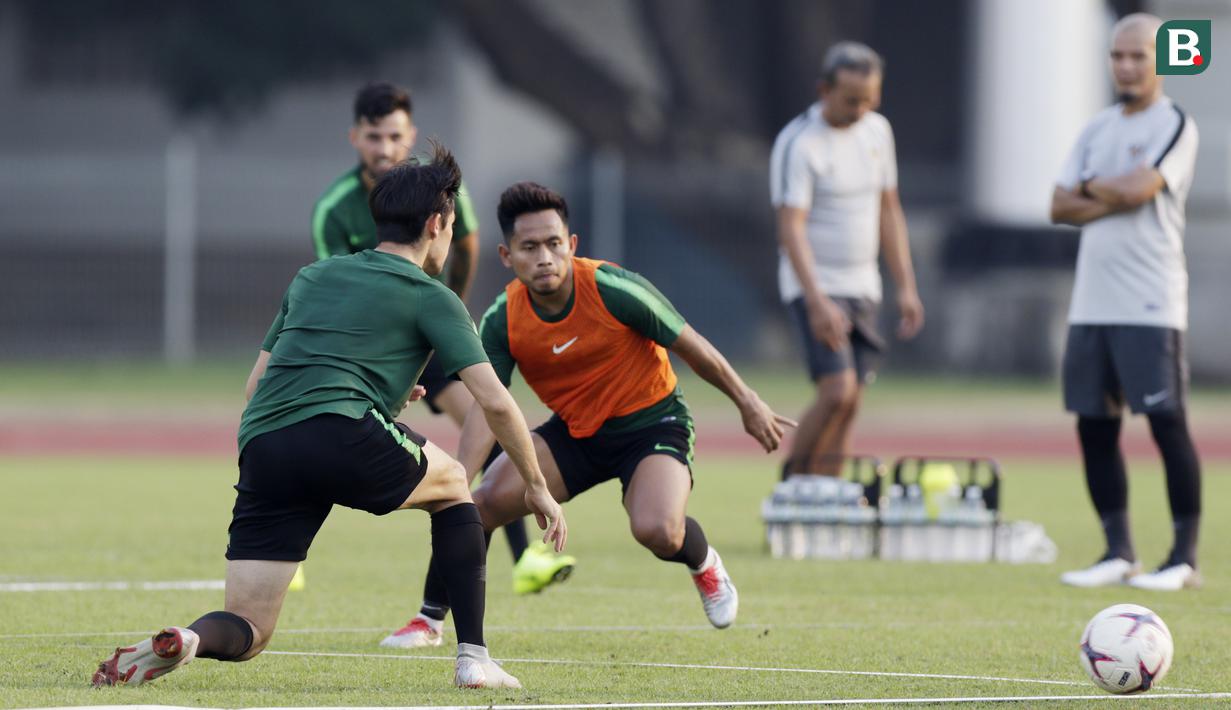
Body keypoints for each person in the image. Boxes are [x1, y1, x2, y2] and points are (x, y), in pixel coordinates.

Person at [91, 145, 566, 690]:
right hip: (340, 429)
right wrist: (535, 486)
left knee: (250, 627)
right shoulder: (432, 296)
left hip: (265, 443)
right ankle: (474, 659)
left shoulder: (312, 277)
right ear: (436, 224)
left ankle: (189, 638)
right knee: (456, 482)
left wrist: (377, 404)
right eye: (452, 225)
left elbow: (256, 389)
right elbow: (497, 401)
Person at [381, 182, 795, 648]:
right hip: (576, 433)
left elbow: (692, 347)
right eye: (529, 247)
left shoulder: (613, 288)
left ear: (571, 244)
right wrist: (457, 476)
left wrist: (747, 401)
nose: (544, 258)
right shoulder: (504, 318)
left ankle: (705, 565)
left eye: (554, 244)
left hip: (652, 424)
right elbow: (484, 403)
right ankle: (429, 619)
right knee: (479, 504)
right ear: (506, 255)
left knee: (656, 529)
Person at [311, 81, 572, 602]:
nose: (385, 148)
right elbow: (334, 286)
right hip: (372, 350)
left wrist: (445, 310)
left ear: (409, 135)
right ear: (355, 138)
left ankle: (525, 558)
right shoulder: (335, 207)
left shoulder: (440, 193)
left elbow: (468, 245)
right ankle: (291, 551)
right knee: (327, 435)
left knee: (484, 426)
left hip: (428, 330)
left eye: (395, 136)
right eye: (374, 137)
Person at [1051, 13, 1202, 592]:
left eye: (1138, 56)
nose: (1127, 66)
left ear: (1161, 60)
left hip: (1150, 299)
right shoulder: (1096, 129)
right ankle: (1118, 551)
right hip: (1092, 300)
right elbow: (1057, 206)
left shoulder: (1175, 123)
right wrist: (1111, 190)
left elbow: (1145, 189)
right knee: (1094, 426)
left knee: (1166, 422)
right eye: (1118, 56)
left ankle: (1183, 558)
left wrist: (1096, 189)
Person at [768, 41, 924, 479]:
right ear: (824, 90)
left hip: (864, 285)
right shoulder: (799, 143)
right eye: (852, 100)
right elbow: (790, 227)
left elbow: (888, 210)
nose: (861, 110)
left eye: (870, 99)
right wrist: (817, 301)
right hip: (816, 284)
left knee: (852, 398)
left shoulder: (877, 132)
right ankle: (794, 487)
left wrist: (906, 286)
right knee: (836, 390)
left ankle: (830, 493)